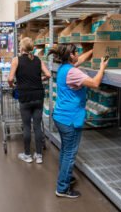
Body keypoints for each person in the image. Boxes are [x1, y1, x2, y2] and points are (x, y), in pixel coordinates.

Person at [48, 44, 108, 198]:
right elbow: (95, 83)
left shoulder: (64, 67)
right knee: (70, 154)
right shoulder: (73, 72)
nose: (78, 54)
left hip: (61, 117)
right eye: (76, 52)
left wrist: (94, 50)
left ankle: (65, 177)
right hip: (70, 119)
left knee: (65, 151)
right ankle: (62, 188)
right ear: (71, 56)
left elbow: (81, 59)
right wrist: (102, 67)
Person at [8, 37, 51, 164]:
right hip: (38, 96)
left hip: (25, 96)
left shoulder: (16, 60)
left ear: (21, 48)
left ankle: (27, 154)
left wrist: (13, 86)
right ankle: (39, 155)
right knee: (37, 126)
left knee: (27, 126)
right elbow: (48, 75)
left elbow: (10, 79)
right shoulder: (38, 60)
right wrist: (39, 80)